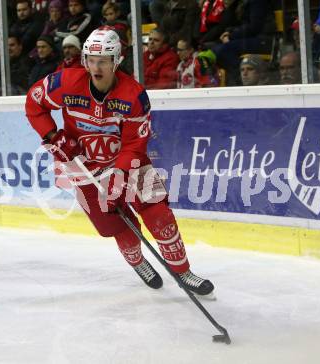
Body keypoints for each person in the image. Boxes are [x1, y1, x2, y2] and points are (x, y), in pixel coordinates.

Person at [25, 28, 215, 295]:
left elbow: (135, 144)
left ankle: (183, 272)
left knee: (157, 211)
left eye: (103, 61)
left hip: (126, 161)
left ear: (116, 61)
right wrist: (53, 135)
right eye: (91, 59)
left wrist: (118, 178)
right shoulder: (64, 83)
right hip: (82, 165)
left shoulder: (133, 96)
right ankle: (138, 262)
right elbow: (34, 105)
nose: (96, 67)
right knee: (114, 223)